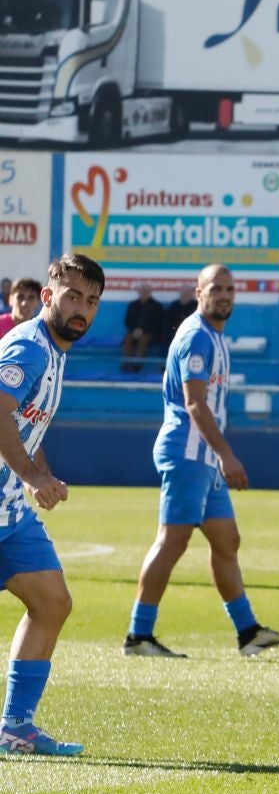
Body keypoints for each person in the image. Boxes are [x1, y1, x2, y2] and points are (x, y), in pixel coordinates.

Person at [123, 264, 279, 660]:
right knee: (172, 541)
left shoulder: (214, 336)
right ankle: (138, 635)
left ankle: (248, 632)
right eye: (215, 288)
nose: (224, 295)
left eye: (230, 289)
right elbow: (194, 403)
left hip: (202, 456)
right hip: (188, 453)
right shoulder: (197, 337)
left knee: (226, 540)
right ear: (198, 292)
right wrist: (226, 454)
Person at [0, 254, 107, 756]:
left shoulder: (54, 350)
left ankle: (16, 727)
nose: (81, 308)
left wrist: (39, 473)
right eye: (72, 297)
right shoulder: (29, 346)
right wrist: (29, 475)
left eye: (91, 301)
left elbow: (26, 422)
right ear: (48, 297)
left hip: (9, 512)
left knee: (53, 603)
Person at [121, 284, 168, 374]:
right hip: (134, 332)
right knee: (127, 338)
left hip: (151, 334)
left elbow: (159, 324)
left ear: (150, 292)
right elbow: (128, 321)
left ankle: (137, 365)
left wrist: (144, 331)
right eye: (142, 291)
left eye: (146, 291)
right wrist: (134, 330)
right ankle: (127, 363)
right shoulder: (133, 305)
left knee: (143, 339)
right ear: (138, 292)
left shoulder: (157, 306)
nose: (144, 293)